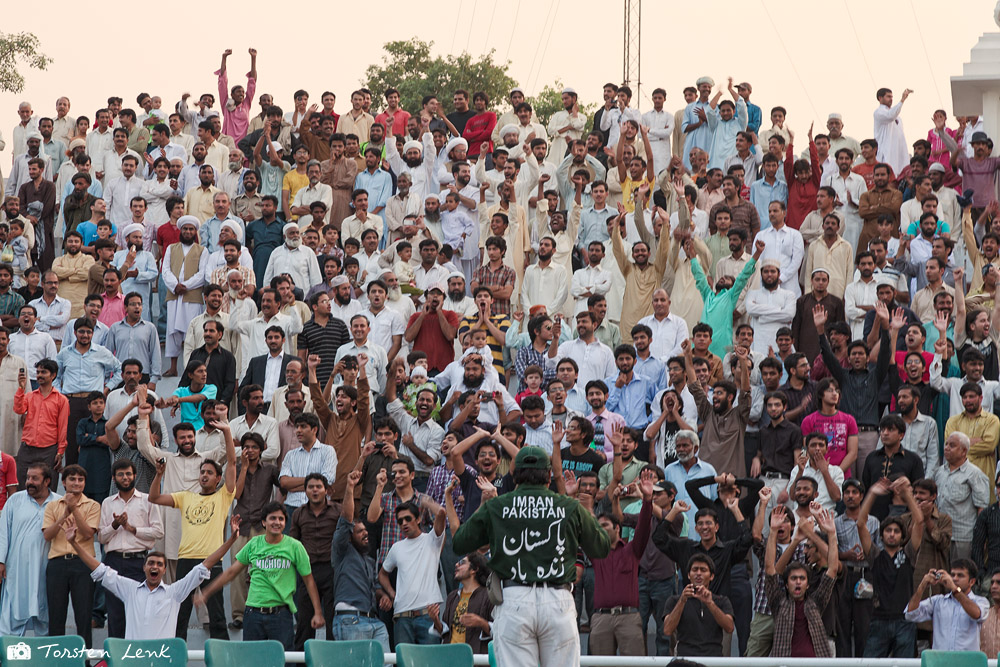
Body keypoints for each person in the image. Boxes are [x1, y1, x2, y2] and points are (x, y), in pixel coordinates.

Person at [453, 446, 610, 666]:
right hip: (558, 601)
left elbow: (460, 542)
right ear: (548, 477)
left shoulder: (498, 506)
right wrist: (586, 509)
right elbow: (602, 548)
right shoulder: (569, 506)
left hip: (513, 599)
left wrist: (486, 504)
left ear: (515, 475)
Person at [147, 401, 237, 640]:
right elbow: (154, 497)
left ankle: (221, 657)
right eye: (202, 472)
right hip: (186, 559)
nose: (204, 475)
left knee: (217, 614)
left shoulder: (223, 496)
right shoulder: (185, 497)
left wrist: (227, 430)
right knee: (180, 613)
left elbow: (233, 461)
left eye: (209, 473)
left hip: (210, 560)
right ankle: (176, 657)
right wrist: (158, 475)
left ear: (218, 478)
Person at [71, 514, 240, 640]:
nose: (155, 567)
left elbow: (206, 564)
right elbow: (100, 570)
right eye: (151, 563)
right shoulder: (130, 589)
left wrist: (231, 540)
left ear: (165, 570)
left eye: (159, 564)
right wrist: (74, 543)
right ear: (144, 567)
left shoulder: (174, 592)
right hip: (133, 660)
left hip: (161, 660)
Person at [201, 501, 324, 648]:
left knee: (283, 661)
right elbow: (231, 572)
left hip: (281, 615)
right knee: (253, 660)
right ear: (264, 522)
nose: (277, 522)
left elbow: (309, 580)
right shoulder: (254, 544)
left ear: (285, 522)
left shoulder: (295, 546)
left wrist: (318, 612)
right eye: (272, 518)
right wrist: (207, 592)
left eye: (281, 519)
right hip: (253, 615)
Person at [763, 505, 840, 657]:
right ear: (786, 584)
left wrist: (831, 534)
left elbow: (832, 569)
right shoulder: (777, 601)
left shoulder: (816, 601)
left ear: (808, 584)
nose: (798, 582)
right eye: (793, 578)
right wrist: (772, 531)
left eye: (802, 578)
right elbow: (770, 569)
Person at [0, 462, 59, 636]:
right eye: (27, 478)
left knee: (44, 614)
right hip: (17, 568)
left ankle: (42, 659)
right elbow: (4, 533)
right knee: (11, 613)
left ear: (47, 481)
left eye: (35, 478)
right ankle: (8, 658)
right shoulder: (15, 500)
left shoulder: (57, 502)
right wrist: (1, 561)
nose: (29, 482)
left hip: (46, 567)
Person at [378, 496, 446, 645]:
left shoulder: (432, 540)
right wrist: (392, 594)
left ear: (419, 519)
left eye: (408, 518)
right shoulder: (396, 547)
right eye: (400, 521)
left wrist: (427, 503)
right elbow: (382, 574)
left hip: (427, 615)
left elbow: (441, 513)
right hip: (401, 617)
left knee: (429, 662)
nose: (404, 523)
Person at [905, 560, 989, 650]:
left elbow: (977, 614)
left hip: (966, 661)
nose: (955, 579)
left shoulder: (981, 601)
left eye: (960, 575)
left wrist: (954, 588)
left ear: (972, 582)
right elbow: (910, 614)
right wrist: (923, 585)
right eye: (952, 575)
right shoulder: (938, 601)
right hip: (941, 661)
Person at [663, 553, 735, 657]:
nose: (698, 573)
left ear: (711, 576)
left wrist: (710, 603)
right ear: (688, 575)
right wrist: (682, 601)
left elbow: (729, 627)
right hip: (685, 659)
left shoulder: (722, 601)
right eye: (695, 570)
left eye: (703, 570)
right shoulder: (674, 600)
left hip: (713, 659)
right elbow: (667, 630)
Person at [435, 551, 494, 653]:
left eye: (462, 563)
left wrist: (481, 622)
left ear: (475, 569)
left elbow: (500, 631)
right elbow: (445, 632)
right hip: (452, 658)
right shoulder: (452, 597)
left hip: (474, 660)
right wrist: (435, 619)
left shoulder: (488, 596)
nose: (456, 565)